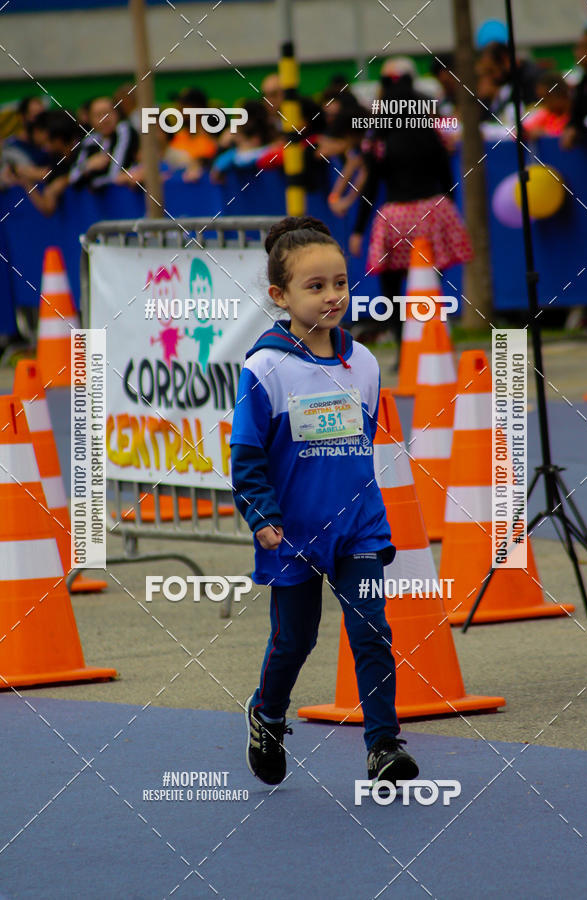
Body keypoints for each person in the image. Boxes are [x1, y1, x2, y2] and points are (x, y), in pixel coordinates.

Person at [230, 215, 420, 788]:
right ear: (280, 296)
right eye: (315, 287)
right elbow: (247, 455)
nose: (332, 295)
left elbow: (356, 444)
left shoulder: (362, 363)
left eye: (339, 282)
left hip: (358, 527)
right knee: (297, 638)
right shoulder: (264, 369)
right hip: (292, 534)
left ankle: (382, 747)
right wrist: (262, 515)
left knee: (371, 630)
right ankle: (267, 712)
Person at [349, 61, 472, 346]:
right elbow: (446, 176)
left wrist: (358, 230)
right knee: (428, 284)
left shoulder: (380, 139)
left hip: (396, 217)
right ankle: (433, 343)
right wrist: (449, 216)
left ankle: (404, 346)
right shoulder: (431, 132)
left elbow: (371, 186)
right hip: (432, 212)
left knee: (391, 287)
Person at [68, 96, 139, 190]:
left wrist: (95, 181)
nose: (105, 120)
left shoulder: (124, 130)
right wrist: (88, 166)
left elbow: (115, 176)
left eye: (108, 113)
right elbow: (72, 178)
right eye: (98, 115)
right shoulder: (89, 141)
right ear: (90, 119)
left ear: (117, 114)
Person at [561, 27, 587, 148]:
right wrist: (572, 128)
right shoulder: (585, 81)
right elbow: (577, 114)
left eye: (582, 47)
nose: (576, 53)